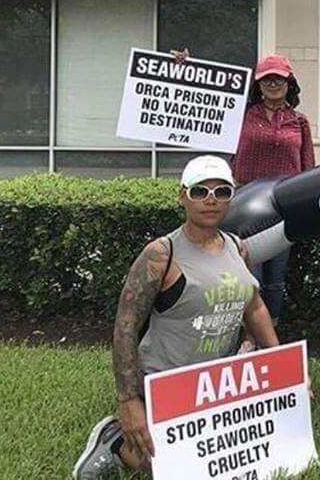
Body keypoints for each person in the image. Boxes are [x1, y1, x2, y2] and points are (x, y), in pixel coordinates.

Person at [72, 155, 279, 479]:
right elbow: (125, 328)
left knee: (228, 463)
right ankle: (115, 443)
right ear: (182, 195)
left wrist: (282, 370)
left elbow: (255, 307)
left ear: (232, 196)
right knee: (169, 470)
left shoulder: (238, 248)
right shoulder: (161, 254)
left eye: (222, 191)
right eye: (200, 192)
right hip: (163, 383)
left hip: (214, 387)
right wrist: (128, 402)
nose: (211, 200)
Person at [233, 54, 315, 327]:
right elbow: (202, 100)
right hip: (246, 206)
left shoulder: (299, 122)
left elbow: (308, 167)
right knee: (250, 274)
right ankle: (249, 337)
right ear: (258, 84)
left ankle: (271, 336)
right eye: (267, 78)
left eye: (279, 78)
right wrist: (182, 68)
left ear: (289, 83)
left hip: (283, 206)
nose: (273, 83)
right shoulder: (240, 117)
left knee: (276, 279)